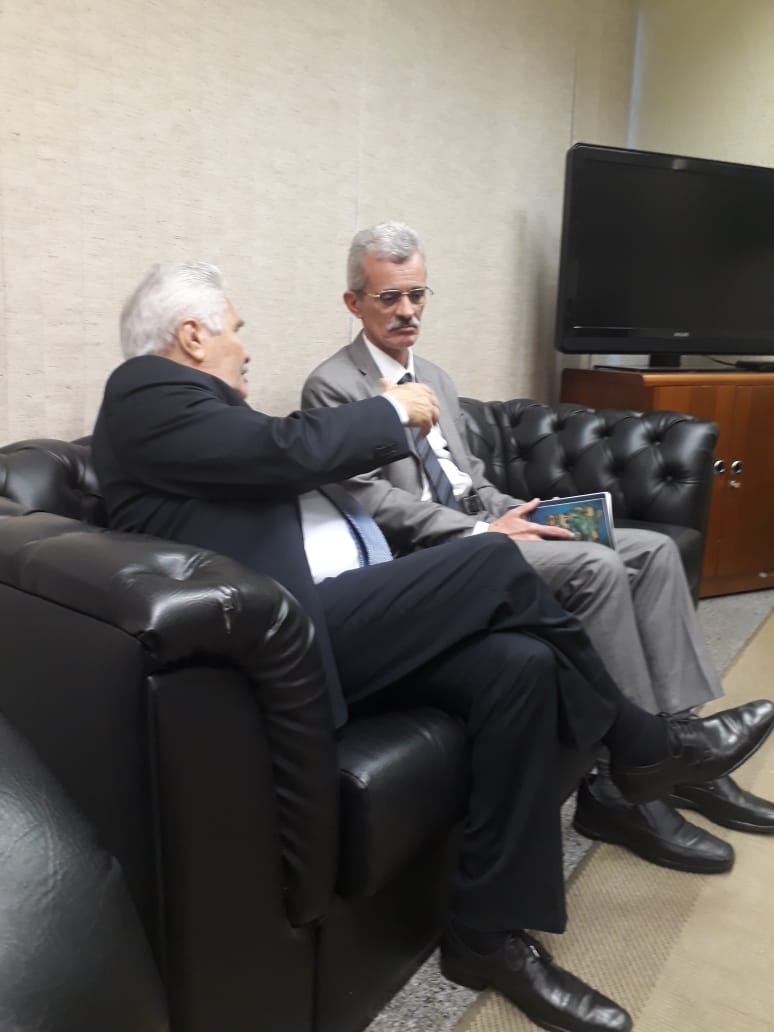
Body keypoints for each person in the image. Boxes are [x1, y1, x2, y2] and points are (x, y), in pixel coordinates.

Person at [92, 262, 774, 1032]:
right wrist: (390, 410)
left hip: (320, 618)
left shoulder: (192, 419)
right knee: (493, 564)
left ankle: (486, 937)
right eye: (236, 330)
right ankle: (645, 744)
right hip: (282, 644)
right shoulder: (145, 390)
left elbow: (278, 462)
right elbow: (288, 449)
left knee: (519, 666)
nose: (245, 348)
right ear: (192, 336)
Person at [301, 220, 774, 874]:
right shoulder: (333, 386)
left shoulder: (433, 375)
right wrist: (481, 532)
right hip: (435, 561)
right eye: (389, 297)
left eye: (417, 294)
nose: (407, 311)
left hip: (486, 527)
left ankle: (681, 750)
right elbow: (372, 502)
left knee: (653, 553)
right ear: (354, 302)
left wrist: (513, 511)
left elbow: (469, 479)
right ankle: (621, 788)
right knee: (595, 565)